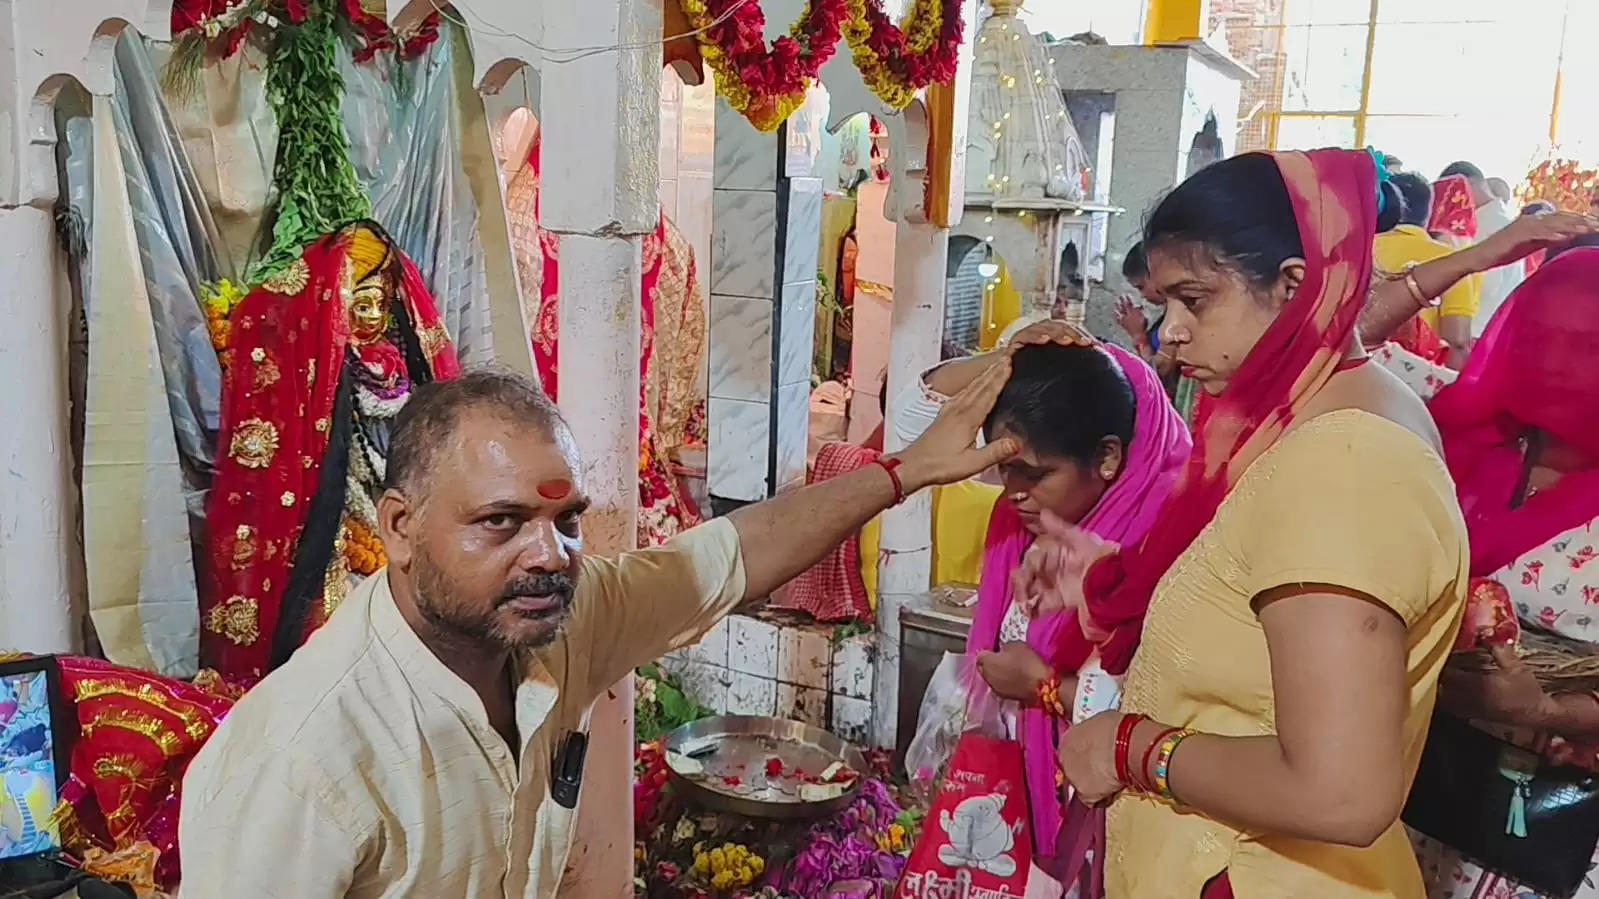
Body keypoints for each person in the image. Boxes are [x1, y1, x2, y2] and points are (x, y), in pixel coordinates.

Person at [176, 367, 1018, 897]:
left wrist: (904, 470)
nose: (548, 554)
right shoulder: (301, 759)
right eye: (500, 521)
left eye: (565, 518)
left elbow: (729, 555)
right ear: (398, 528)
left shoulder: (553, 626)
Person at [1031, 150, 1470, 897]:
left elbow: (1341, 791)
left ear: (1293, 285)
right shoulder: (1320, 413)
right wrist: (1107, 568)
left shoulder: (1342, 458)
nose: (1168, 333)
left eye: (1194, 300)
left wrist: (1131, 749)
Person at [901, 323, 1189, 875]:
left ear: (1106, 457)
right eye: (1004, 470)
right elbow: (912, 426)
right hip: (1021, 800)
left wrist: (1046, 690)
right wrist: (1009, 357)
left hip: (1110, 826)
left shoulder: (1163, 542)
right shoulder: (1020, 527)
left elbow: (1172, 722)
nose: (1012, 492)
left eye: (1033, 474)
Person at [1373, 250, 1599, 899]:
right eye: (1543, 336)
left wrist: (1547, 707)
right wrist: (1495, 247)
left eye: (1586, 344)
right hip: (1418, 785)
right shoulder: (1470, 430)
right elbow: (1341, 340)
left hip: (1548, 824)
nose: (1559, 361)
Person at [202, 221, 461, 683]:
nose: (371, 316)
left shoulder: (399, 361)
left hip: (397, 504)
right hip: (346, 514)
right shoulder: (325, 365)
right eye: (359, 304)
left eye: (380, 304)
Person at [1374, 172, 1481, 369]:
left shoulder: (1360, 251)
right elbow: (1457, 342)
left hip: (1358, 373)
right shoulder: (1452, 261)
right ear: (1430, 210)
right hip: (1420, 379)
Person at [1113, 243, 1201, 422]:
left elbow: (1159, 373)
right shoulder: (1167, 317)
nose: (1142, 295)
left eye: (1141, 286)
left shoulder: (1182, 316)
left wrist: (1139, 337)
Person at [1440, 161, 1526, 335]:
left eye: (1452, 191)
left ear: (1467, 184)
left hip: (1474, 328)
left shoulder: (1485, 225)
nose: (1452, 201)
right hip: (1491, 328)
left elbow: (1486, 286)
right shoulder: (1505, 222)